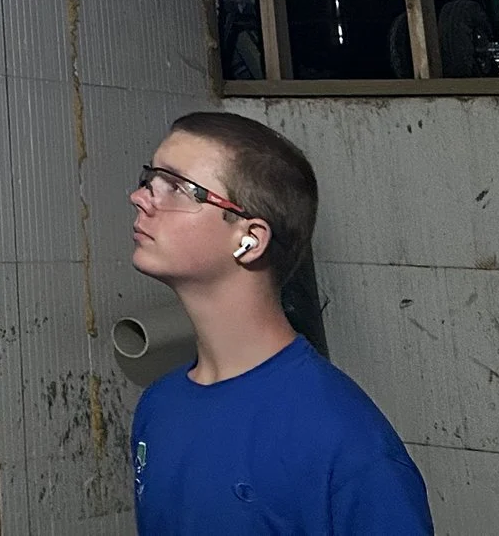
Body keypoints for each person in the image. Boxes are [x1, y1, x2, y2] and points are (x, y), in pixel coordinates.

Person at [127, 111, 431, 535]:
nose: (140, 197)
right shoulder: (156, 409)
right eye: (149, 180)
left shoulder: (345, 442)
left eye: (176, 187)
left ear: (249, 239)